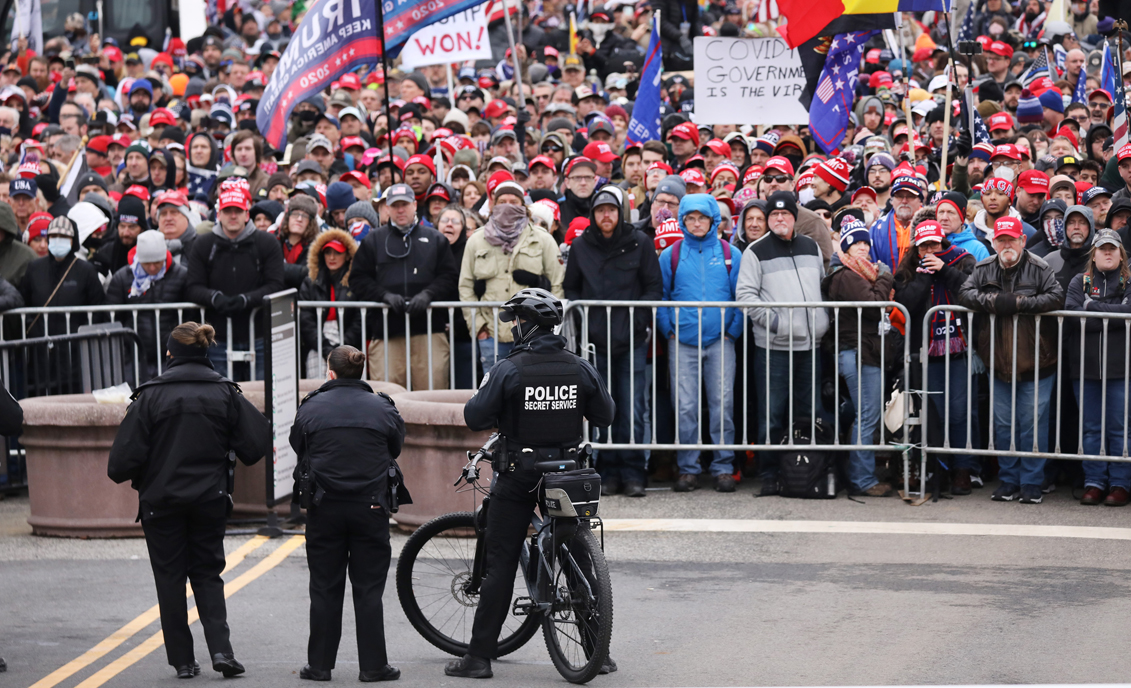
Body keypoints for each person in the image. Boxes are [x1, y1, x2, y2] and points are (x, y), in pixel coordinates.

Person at [447, 288, 615, 679]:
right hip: (567, 474)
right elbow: (605, 414)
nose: (512, 330)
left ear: (525, 325)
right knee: (577, 559)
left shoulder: (509, 368)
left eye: (515, 323)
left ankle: (478, 659)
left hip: (520, 473)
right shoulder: (580, 366)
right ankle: (598, 653)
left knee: (500, 563)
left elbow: (475, 416)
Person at [107, 322, 271, 680]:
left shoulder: (149, 396)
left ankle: (182, 660)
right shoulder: (225, 393)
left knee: (169, 579)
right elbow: (256, 445)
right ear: (204, 351)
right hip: (209, 499)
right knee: (208, 574)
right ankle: (222, 650)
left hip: (160, 501)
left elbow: (119, 466)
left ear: (170, 354)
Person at [290, 346, 407, 683]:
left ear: (330, 373)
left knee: (324, 587)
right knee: (369, 589)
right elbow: (395, 445)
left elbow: (299, 444)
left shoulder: (311, 406)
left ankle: (320, 665)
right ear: (360, 373)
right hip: (371, 505)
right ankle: (373, 666)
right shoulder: (382, 407)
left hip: (324, 506)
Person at [562, 185, 662, 496]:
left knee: (632, 407)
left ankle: (633, 472)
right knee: (599, 409)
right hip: (595, 341)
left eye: (611, 210)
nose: (606, 215)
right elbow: (572, 289)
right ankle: (602, 471)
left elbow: (653, 287)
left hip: (631, 339)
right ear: (592, 214)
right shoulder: (581, 247)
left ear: (621, 212)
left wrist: (638, 319)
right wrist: (584, 320)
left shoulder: (639, 242)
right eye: (600, 210)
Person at [958, 216, 1064, 504]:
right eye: (1001, 239)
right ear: (994, 242)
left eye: (1011, 239)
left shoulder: (1040, 268)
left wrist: (1019, 304)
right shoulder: (983, 267)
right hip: (997, 360)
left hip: (1036, 361)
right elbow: (965, 293)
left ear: (1022, 240)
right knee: (1003, 424)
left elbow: (1056, 297)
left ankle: (1031, 482)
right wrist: (995, 302)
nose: (1006, 244)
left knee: (1032, 424)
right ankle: (1008, 479)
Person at [735, 191, 829, 495]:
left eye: (785, 214)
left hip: (810, 346)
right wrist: (778, 323)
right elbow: (745, 296)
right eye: (773, 215)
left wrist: (821, 321)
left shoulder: (811, 247)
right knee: (771, 415)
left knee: (809, 414)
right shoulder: (755, 251)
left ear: (794, 217)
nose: (779, 219)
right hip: (773, 348)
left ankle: (807, 472)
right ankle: (769, 474)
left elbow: (822, 286)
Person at [658, 193, 743, 492]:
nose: (696, 223)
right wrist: (669, 329)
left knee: (723, 403)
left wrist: (732, 332)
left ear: (713, 220)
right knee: (685, 406)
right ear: (682, 221)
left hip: (721, 341)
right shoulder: (671, 255)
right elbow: (662, 298)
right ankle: (688, 468)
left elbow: (740, 297)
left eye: (702, 218)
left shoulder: (730, 253)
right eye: (690, 218)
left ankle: (723, 466)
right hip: (681, 341)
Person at [350, 182, 459, 390]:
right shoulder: (373, 240)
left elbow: (449, 277)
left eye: (405, 204)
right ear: (387, 208)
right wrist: (384, 296)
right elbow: (358, 279)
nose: (400, 210)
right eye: (395, 205)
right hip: (386, 332)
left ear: (414, 205)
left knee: (431, 394)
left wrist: (428, 294)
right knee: (386, 396)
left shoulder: (436, 239)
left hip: (429, 330)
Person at [459, 172, 565, 374]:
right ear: (492, 205)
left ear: (523, 205)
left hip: (534, 335)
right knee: (495, 397)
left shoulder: (542, 239)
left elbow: (557, 283)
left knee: (531, 393)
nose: (507, 205)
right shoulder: (476, 240)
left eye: (514, 201)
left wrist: (548, 329)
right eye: (502, 201)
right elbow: (465, 286)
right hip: (492, 334)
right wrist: (479, 328)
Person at [823, 220, 895, 496]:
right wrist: (886, 276)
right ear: (846, 248)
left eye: (866, 243)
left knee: (864, 414)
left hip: (863, 351)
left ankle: (855, 472)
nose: (863, 248)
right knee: (868, 415)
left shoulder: (861, 274)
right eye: (856, 244)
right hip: (858, 353)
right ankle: (862, 479)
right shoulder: (846, 276)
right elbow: (876, 305)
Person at [185, 186, 285, 380]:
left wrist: (245, 300)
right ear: (219, 214)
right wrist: (215, 298)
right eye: (228, 211)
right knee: (221, 398)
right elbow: (193, 287)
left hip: (258, 336)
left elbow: (276, 285)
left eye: (238, 211)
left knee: (261, 399)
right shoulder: (203, 244)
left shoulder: (267, 242)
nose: (233, 216)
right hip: (217, 338)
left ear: (247, 214)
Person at [1064, 229, 1131, 506]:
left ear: (1120, 253)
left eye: (1112, 249)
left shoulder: (1129, 280)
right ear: (1094, 253)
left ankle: (1120, 483)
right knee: (1091, 428)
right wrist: (1108, 315)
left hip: (1121, 369)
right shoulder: (1079, 281)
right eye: (1102, 248)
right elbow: (1073, 317)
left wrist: (1093, 308)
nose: (1107, 252)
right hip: (1086, 369)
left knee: (1119, 429)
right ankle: (1093, 481)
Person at [106, 230, 189, 382]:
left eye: (157, 262)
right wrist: (124, 354)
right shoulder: (122, 278)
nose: (152, 268)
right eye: (146, 263)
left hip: (171, 356)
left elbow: (191, 318)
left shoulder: (181, 276)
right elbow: (112, 319)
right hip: (133, 358)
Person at [298, 230, 362, 378]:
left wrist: (344, 346)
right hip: (317, 343)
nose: (332, 257)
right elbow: (306, 319)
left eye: (337, 253)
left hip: (348, 343)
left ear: (347, 255)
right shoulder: (310, 281)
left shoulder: (356, 282)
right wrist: (325, 347)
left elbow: (359, 319)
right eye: (328, 252)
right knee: (318, 386)